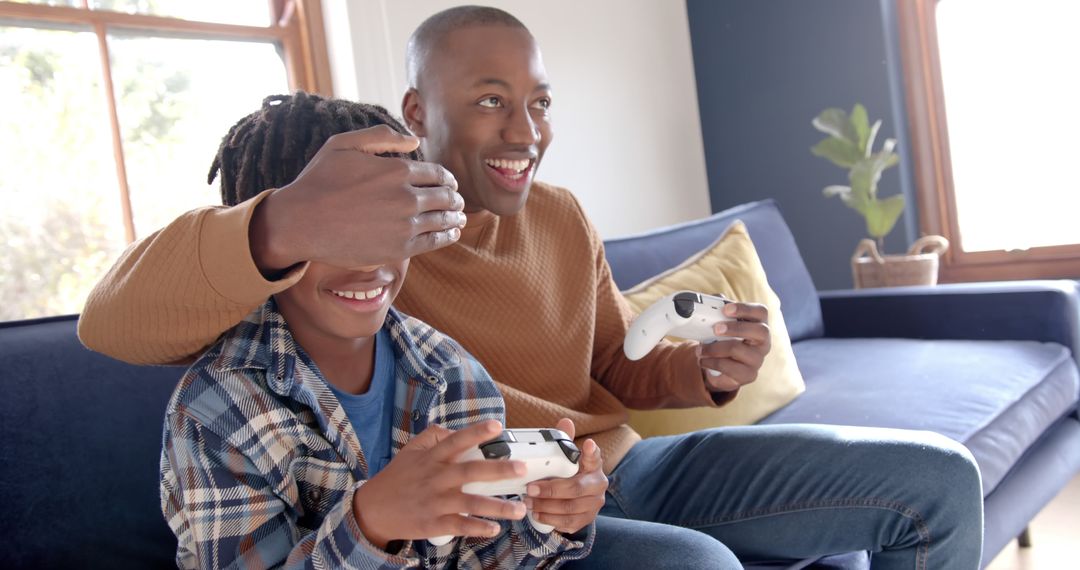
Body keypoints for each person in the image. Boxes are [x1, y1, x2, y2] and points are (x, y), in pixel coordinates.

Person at [82, 6, 984, 568]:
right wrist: (292, 223)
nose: (525, 129)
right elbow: (117, 320)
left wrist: (705, 373)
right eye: (487, 99)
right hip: (507, 512)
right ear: (415, 115)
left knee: (936, 482)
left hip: (616, 471)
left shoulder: (556, 217)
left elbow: (607, 366)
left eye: (539, 101)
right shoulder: (354, 242)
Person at [158, 92, 595, 569]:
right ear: (273, 242)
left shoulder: (451, 373)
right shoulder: (218, 407)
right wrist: (369, 526)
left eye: (390, 229)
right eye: (337, 237)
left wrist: (550, 519)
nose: (369, 264)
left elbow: (482, 556)